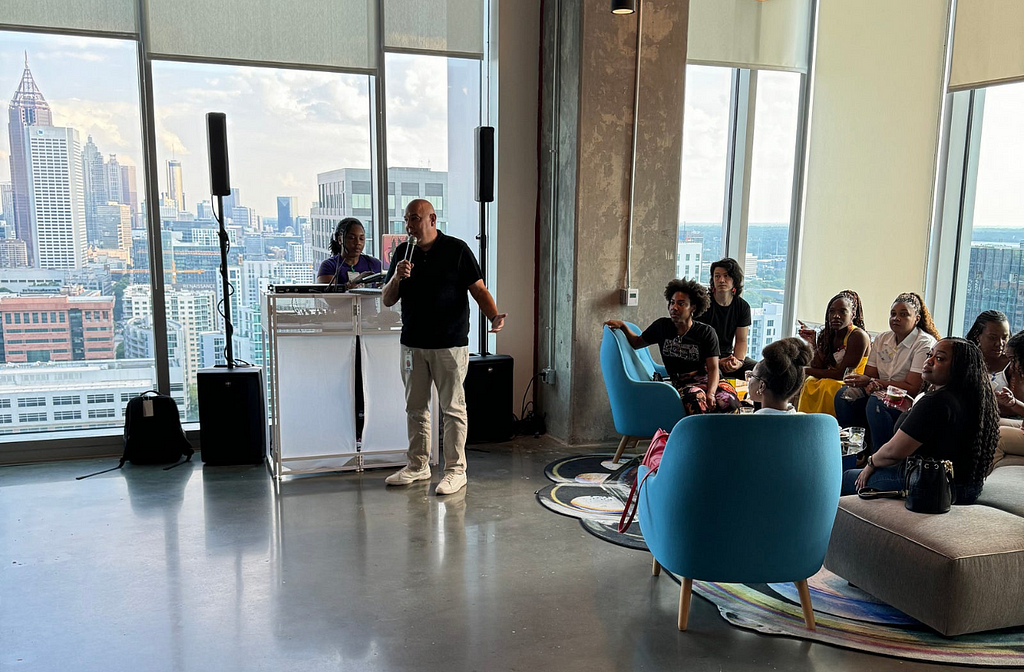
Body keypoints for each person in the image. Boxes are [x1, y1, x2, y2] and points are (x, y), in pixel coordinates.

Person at [381, 199, 506, 496]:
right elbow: (387, 299)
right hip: (413, 344)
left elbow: (478, 289)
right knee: (415, 408)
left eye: (414, 218)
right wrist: (398, 276)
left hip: (450, 344)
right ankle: (417, 465)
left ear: (432, 219)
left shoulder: (457, 249)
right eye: (406, 220)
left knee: (452, 409)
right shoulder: (402, 253)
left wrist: (494, 315)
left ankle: (455, 470)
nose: (409, 225)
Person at [841, 338, 1000, 505]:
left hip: (930, 485)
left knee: (845, 478)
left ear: (959, 368)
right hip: (965, 489)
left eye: (939, 358)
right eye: (929, 355)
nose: (928, 361)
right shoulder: (973, 399)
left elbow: (894, 452)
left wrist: (870, 463)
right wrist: (911, 408)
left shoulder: (937, 401)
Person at [605, 278, 739, 415]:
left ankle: (724, 436)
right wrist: (623, 326)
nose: (674, 307)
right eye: (672, 302)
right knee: (697, 400)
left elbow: (713, 369)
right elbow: (637, 342)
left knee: (729, 401)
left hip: (709, 380)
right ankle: (699, 436)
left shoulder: (706, 332)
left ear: (693, 307)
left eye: (681, 304)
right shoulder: (662, 327)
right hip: (683, 384)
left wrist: (711, 393)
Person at [835, 292, 939, 450]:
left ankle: (879, 457)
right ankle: (855, 449)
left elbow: (912, 387)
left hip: (907, 397)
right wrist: (870, 384)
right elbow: (870, 375)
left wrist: (873, 383)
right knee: (844, 395)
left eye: (903, 315)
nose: (896, 318)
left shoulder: (924, 343)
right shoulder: (883, 339)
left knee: (877, 403)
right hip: (880, 390)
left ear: (916, 319)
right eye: (893, 314)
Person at [796, 290, 870, 416]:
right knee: (811, 382)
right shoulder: (827, 334)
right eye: (832, 311)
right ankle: (806, 425)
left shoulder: (858, 336)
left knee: (830, 386)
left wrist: (803, 370)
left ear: (852, 315)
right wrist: (812, 343)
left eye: (842, 311)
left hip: (851, 380)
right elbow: (819, 367)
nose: (836, 316)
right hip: (832, 377)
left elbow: (842, 374)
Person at [695, 258, 755, 378]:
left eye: (726, 276)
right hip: (703, 359)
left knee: (760, 370)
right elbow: (696, 343)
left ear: (734, 280)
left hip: (728, 356)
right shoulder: (703, 304)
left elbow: (741, 340)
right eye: (717, 276)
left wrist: (738, 362)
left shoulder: (742, 307)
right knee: (716, 375)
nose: (721, 280)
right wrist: (716, 362)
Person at [746, 337, 813, 414]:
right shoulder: (809, 421)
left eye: (751, 375)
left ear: (761, 386)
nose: (749, 379)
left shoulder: (746, 424)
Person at [316, 218, 383, 288]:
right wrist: (356, 282)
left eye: (361, 239)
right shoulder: (329, 266)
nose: (358, 243)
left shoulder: (374, 264)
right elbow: (328, 296)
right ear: (340, 240)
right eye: (352, 238)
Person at [965, 310, 1011, 391]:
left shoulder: (1013, 365)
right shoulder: (965, 360)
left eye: (1004, 338)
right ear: (977, 335)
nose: (999, 343)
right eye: (993, 338)